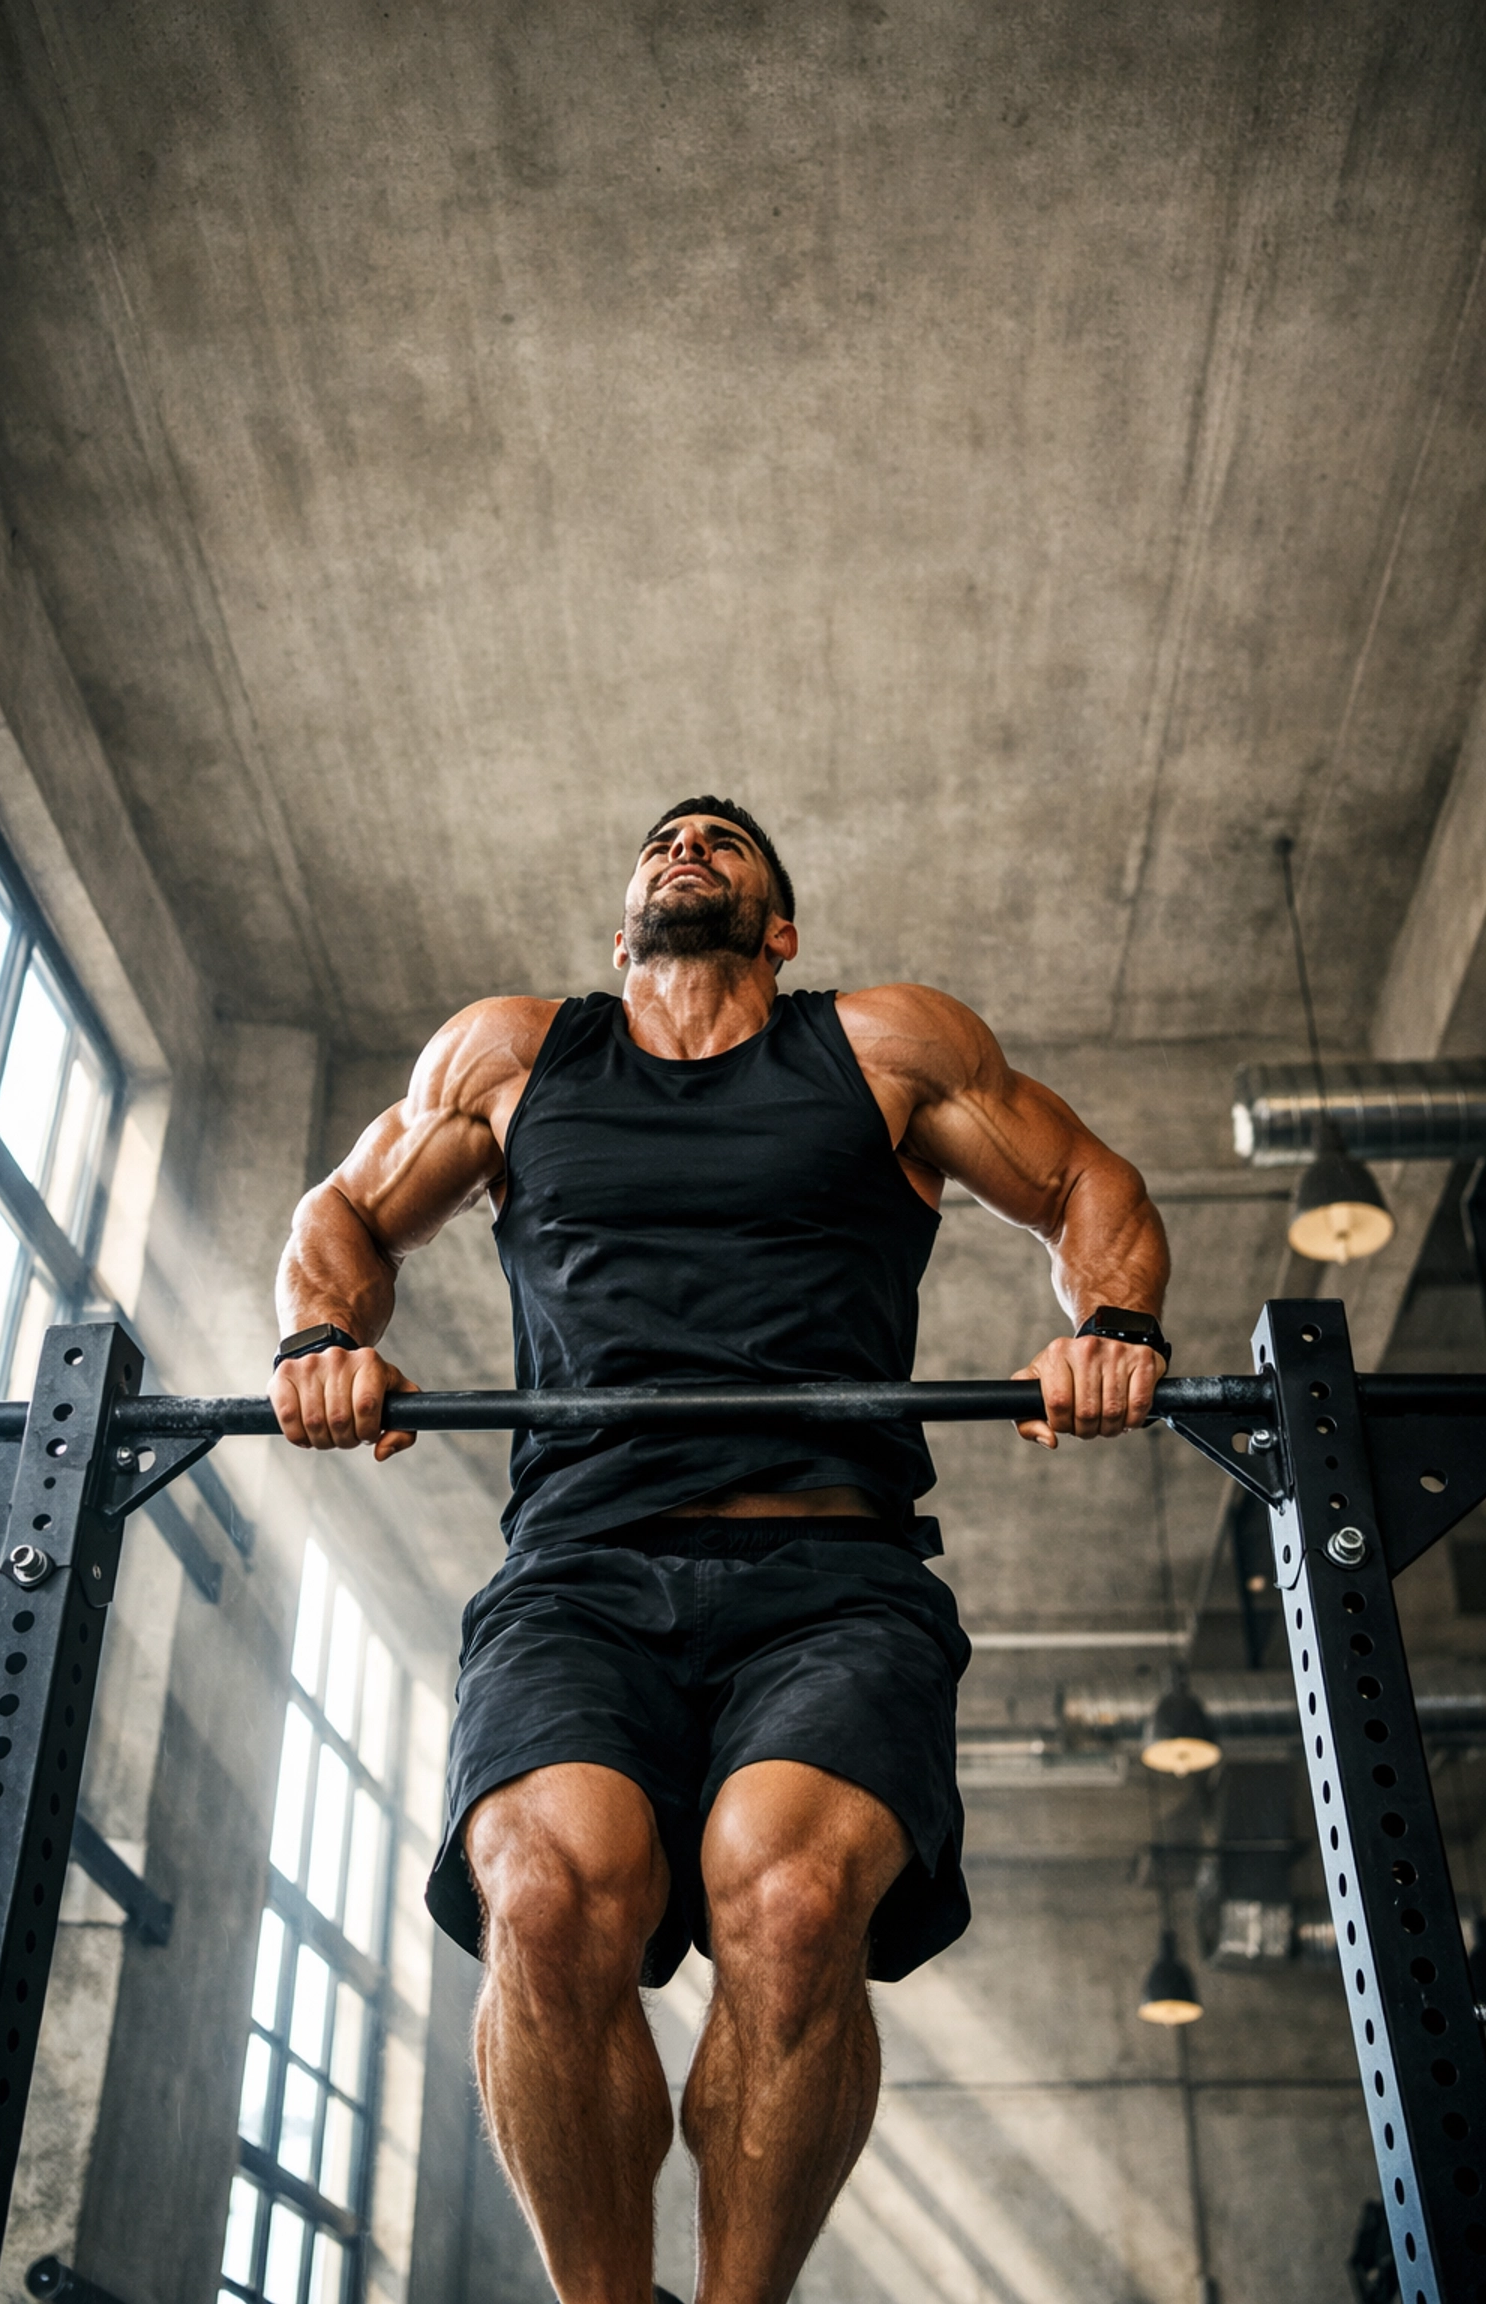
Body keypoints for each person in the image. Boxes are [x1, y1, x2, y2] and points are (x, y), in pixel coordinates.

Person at [270, 799, 1170, 2304]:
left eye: (726, 842)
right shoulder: (512, 1054)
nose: (691, 847)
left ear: (782, 924)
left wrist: (1114, 1328)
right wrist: (320, 1337)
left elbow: (1089, 1186)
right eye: (666, 841)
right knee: (549, 1897)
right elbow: (346, 1213)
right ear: (623, 928)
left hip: (832, 1581)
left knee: (795, 1899)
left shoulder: (885, 1047)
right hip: (578, 1571)